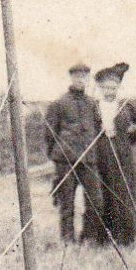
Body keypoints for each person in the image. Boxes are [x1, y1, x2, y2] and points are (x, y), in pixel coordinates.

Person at [91, 63, 136, 246]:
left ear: (118, 87)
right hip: (100, 155)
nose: (109, 91)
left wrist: (127, 138)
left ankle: (130, 236)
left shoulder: (126, 106)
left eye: (113, 87)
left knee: (125, 192)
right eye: (105, 87)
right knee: (103, 192)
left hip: (122, 156)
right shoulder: (94, 107)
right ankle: (104, 237)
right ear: (99, 87)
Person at [42, 62, 105, 243]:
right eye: (77, 76)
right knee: (66, 203)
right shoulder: (59, 103)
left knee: (96, 201)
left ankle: (88, 237)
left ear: (87, 79)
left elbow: (98, 129)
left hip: (89, 161)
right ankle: (67, 240)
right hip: (66, 161)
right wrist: (57, 155)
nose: (80, 79)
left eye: (84, 76)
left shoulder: (93, 104)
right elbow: (49, 133)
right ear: (71, 77)